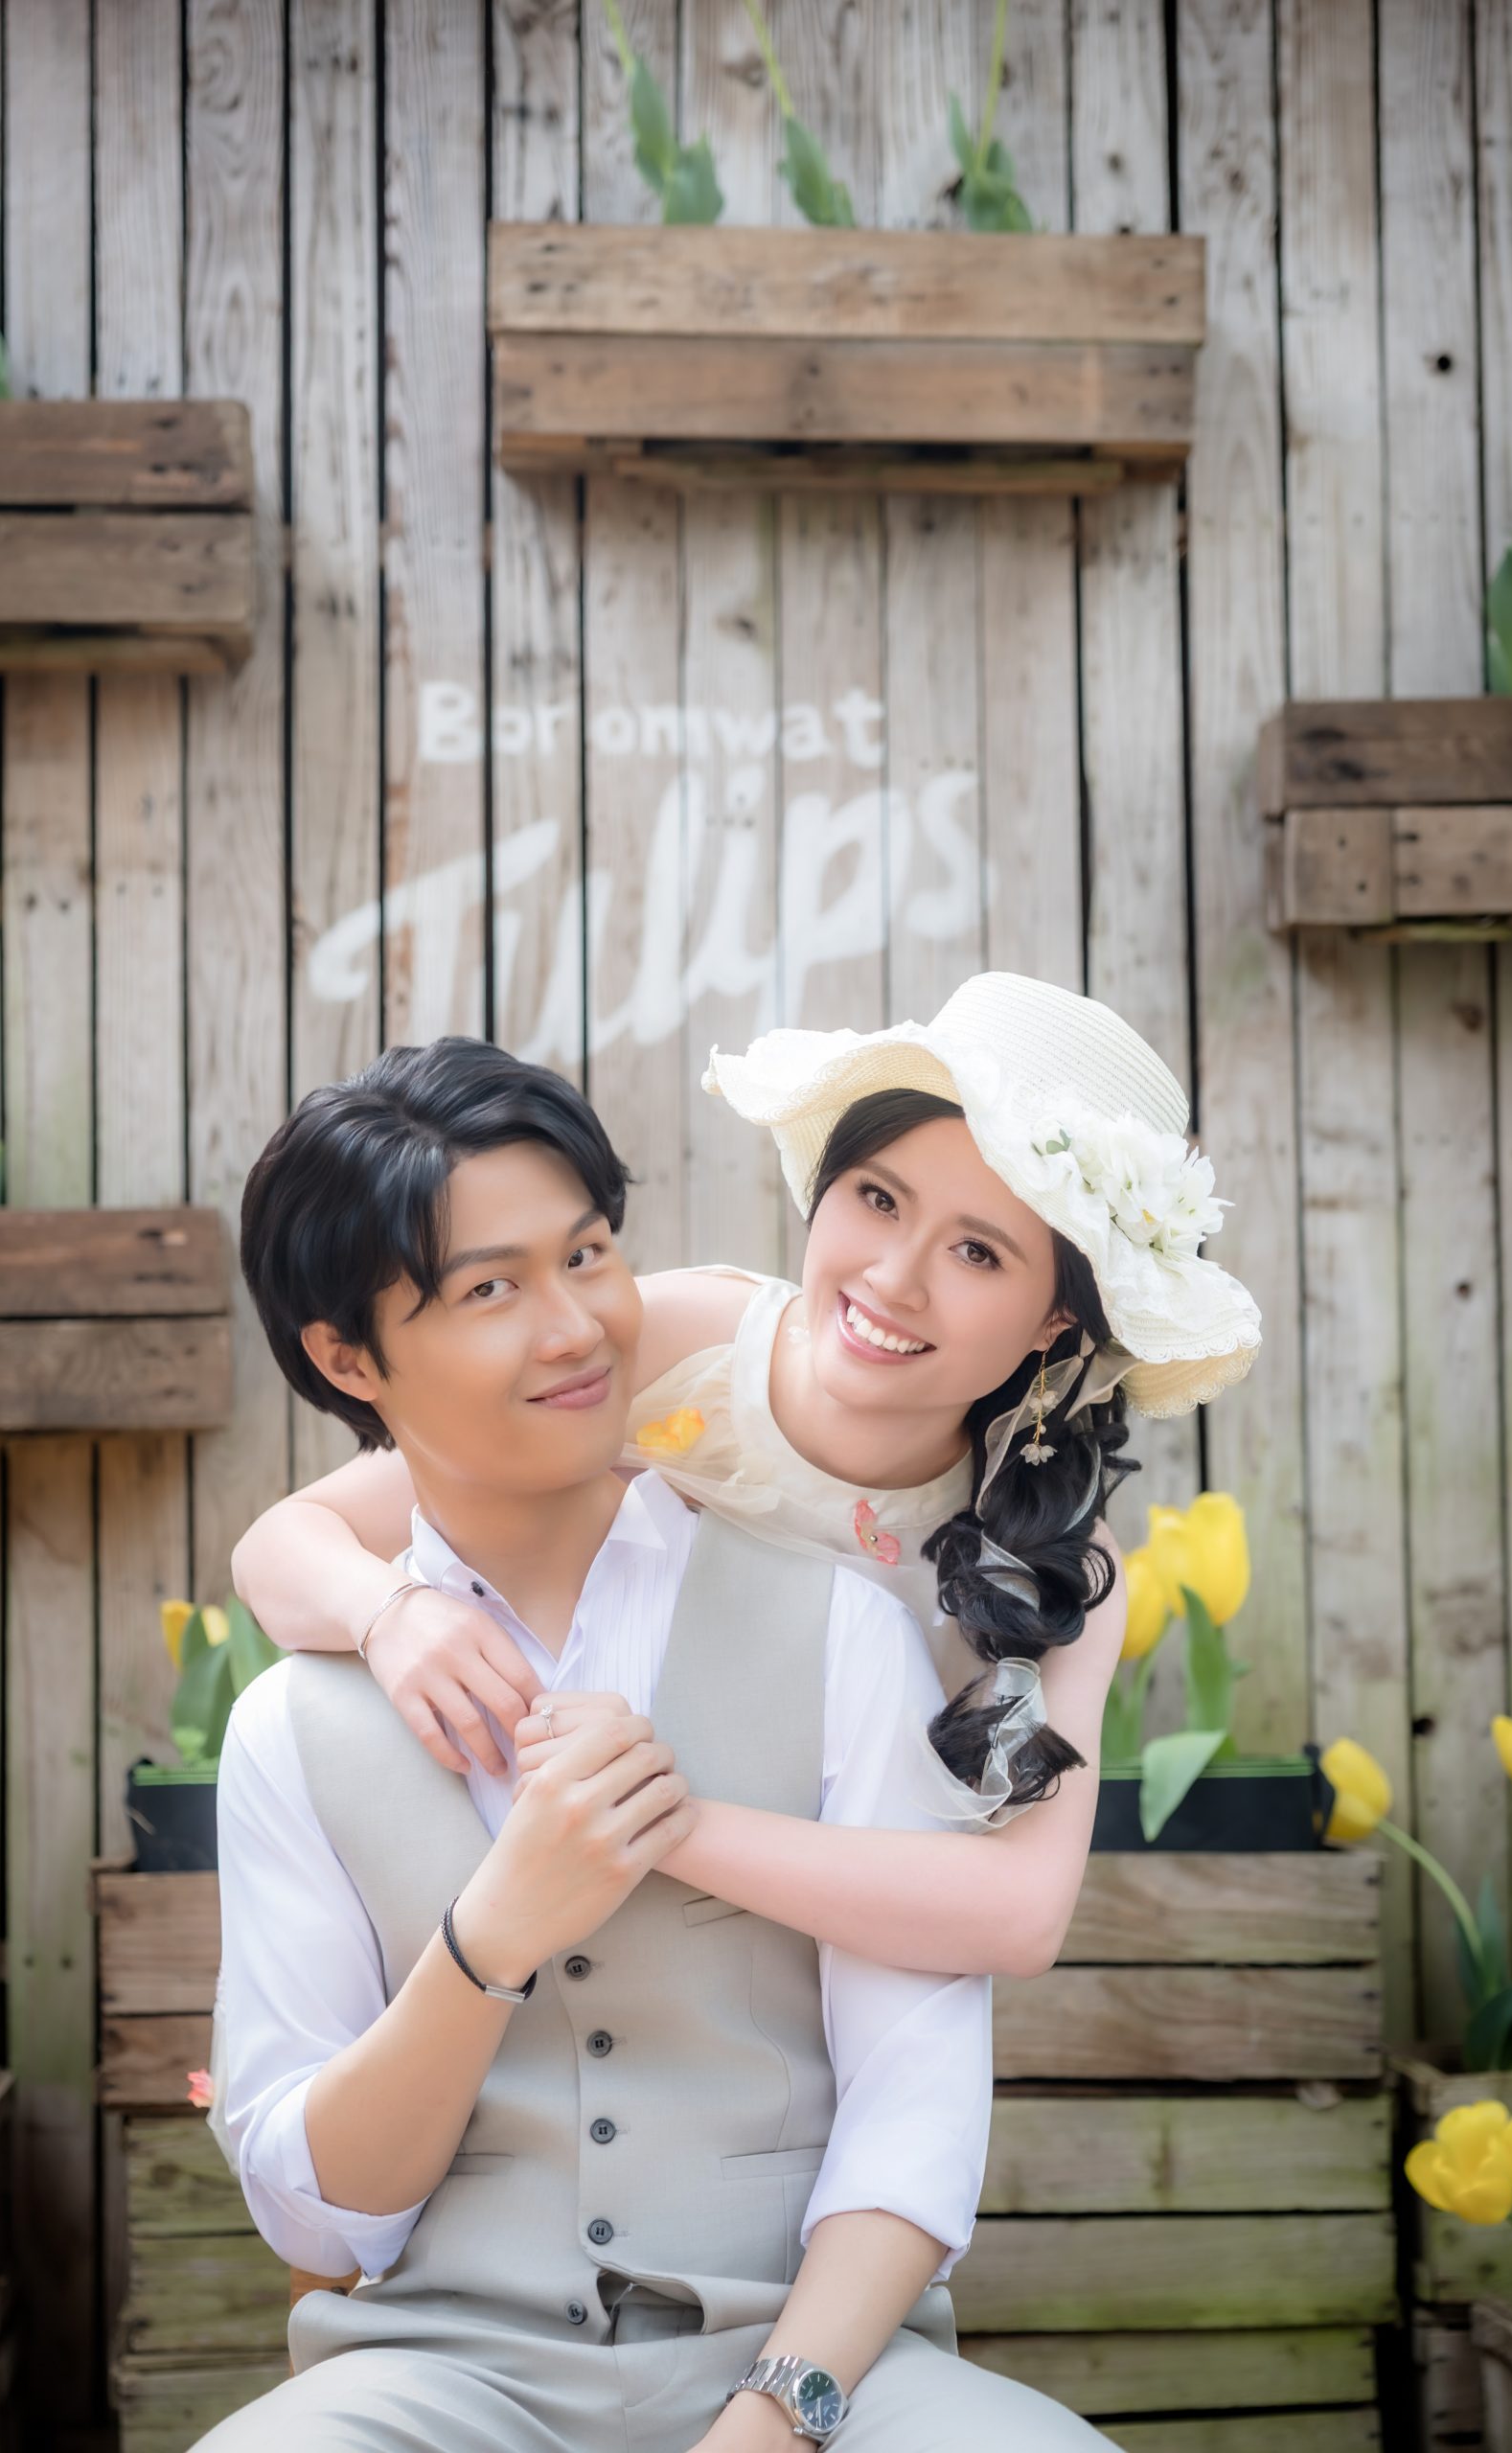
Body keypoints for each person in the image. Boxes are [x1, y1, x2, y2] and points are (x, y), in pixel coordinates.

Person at [197, 1038, 1101, 2449]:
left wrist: (778, 2415)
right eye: (489, 1288)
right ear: (346, 1356)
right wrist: (490, 1932)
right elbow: (316, 2218)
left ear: (1052, 1321)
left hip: (822, 2365)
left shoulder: (861, 1628)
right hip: (441, 2372)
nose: (574, 1329)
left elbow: (921, 2088)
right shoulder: (293, 1731)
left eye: (587, 1255)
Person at [232, 974, 1260, 1980]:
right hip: (586, 1947)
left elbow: (1020, 1917)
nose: (892, 1279)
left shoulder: (1056, 1562)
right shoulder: (676, 1345)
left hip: (849, 1994)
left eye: (978, 1254)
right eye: (878, 1199)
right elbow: (283, 1546)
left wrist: (660, 1818)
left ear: (1057, 1319)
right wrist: (389, 1613)